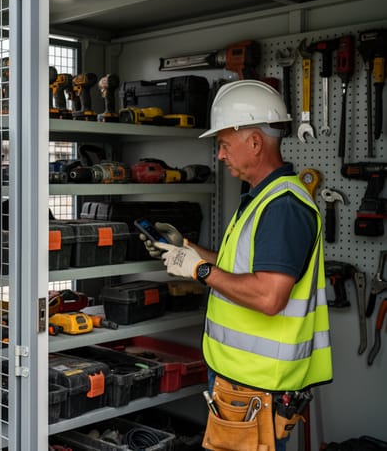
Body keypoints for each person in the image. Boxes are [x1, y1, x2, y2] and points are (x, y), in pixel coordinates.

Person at [141, 80, 332, 451]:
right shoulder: (261, 200)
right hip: (240, 380)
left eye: (225, 145)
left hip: (257, 385)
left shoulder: (283, 208)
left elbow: (269, 296)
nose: (222, 155)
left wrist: (198, 270)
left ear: (255, 142)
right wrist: (187, 249)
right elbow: (236, 267)